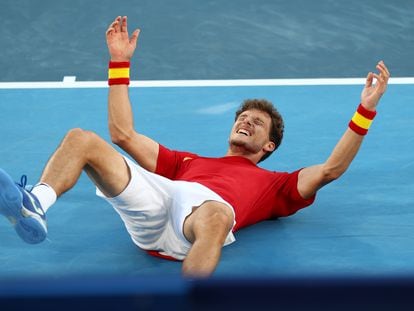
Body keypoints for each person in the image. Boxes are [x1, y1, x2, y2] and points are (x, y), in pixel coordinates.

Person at [0, 16, 390, 277]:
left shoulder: (277, 185)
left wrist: (364, 111)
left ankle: (191, 296)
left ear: (269, 145)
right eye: (242, 117)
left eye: (257, 123)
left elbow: (330, 169)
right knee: (80, 139)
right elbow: (123, 134)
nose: (246, 121)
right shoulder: (186, 162)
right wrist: (119, 62)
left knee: (219, 213)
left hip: (200, 224)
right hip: (157, 206)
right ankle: (37, 204)